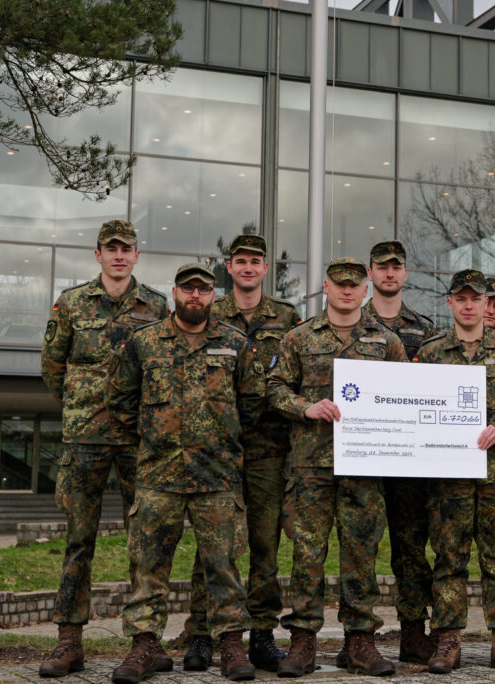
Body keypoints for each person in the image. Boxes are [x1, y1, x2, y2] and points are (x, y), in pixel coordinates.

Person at [107, 263, 265, 683]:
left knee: (224, 566)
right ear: (174, 293)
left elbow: (251, 405)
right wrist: (155, 440)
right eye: (188, 289)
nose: (196, 295)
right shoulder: (144, 343)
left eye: (204, 289)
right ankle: (144, 646)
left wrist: (219, 438)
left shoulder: (235, 344)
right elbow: (121, 403)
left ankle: (230, 646)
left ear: (215, 295)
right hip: (159, 476)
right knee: (149, 567)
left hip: (217, 477)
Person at [39, 220, 168, 678]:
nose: (118, 256)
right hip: (85, 438)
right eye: (110, 249)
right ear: (97, 255)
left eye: (126, 249)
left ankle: (145, 640)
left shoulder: (155, 305)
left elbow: (162, 366)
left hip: (139, 439)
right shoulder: (72, 302)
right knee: (78, 542)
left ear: (137, 254)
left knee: (146, 542)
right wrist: (81, 404)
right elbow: (53, 367)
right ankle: (69, 642)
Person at [269, 257, 407, 678]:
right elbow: (274, 387)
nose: (347, 291)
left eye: (354, 285)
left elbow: (407, 396)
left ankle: (360, 642)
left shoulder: (387, 342)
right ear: (325, 288)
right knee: (307, 554)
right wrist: (304, 406)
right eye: (339, 284)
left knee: (361, 555)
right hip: (312, 467)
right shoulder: (298, 338)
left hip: (364, 470)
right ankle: (303, 642)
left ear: (365, 290)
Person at [182, 235, 302, 672]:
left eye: (256, 261)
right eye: (240, 262)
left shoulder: (287, 318)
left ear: (265, 268)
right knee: (211, 547)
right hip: (216, 451)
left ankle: (263, 635)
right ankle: (201, 633)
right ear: (227, 267)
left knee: (264, 545)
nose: (248, 268)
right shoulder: (207, 313)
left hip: (269, 450)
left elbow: (297, 378)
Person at [415, 269, 495, 674]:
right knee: (449, 558)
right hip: (448, 475)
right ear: (450, 303)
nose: (469, 305)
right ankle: (447, 639)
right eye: (461, 298)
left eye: (477, 298)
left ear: (488, 304)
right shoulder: (432, 352)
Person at [361, 240, 438, 664]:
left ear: (405, 274)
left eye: (396, 267)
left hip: (410, 460)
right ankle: (361, 634)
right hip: (366, 458)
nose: (389, 274)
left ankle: (413, 631)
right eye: (382, 267)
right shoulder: (353, 322)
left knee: (411, 547)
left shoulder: (423, 329)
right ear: (370, 273)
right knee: (361, 546)